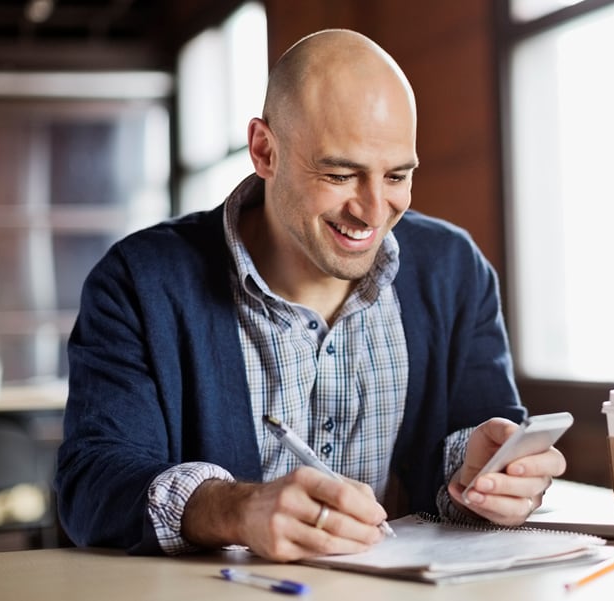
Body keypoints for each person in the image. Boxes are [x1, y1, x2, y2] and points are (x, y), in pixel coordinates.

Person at [53, 29, 565, 561]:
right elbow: (90, 483)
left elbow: (479, 449)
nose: (372, 211)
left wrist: (491, 478)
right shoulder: (139, 281)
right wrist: (235, 509)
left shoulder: (456, 271)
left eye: (396, 175)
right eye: (341, 174)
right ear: (264, 150)